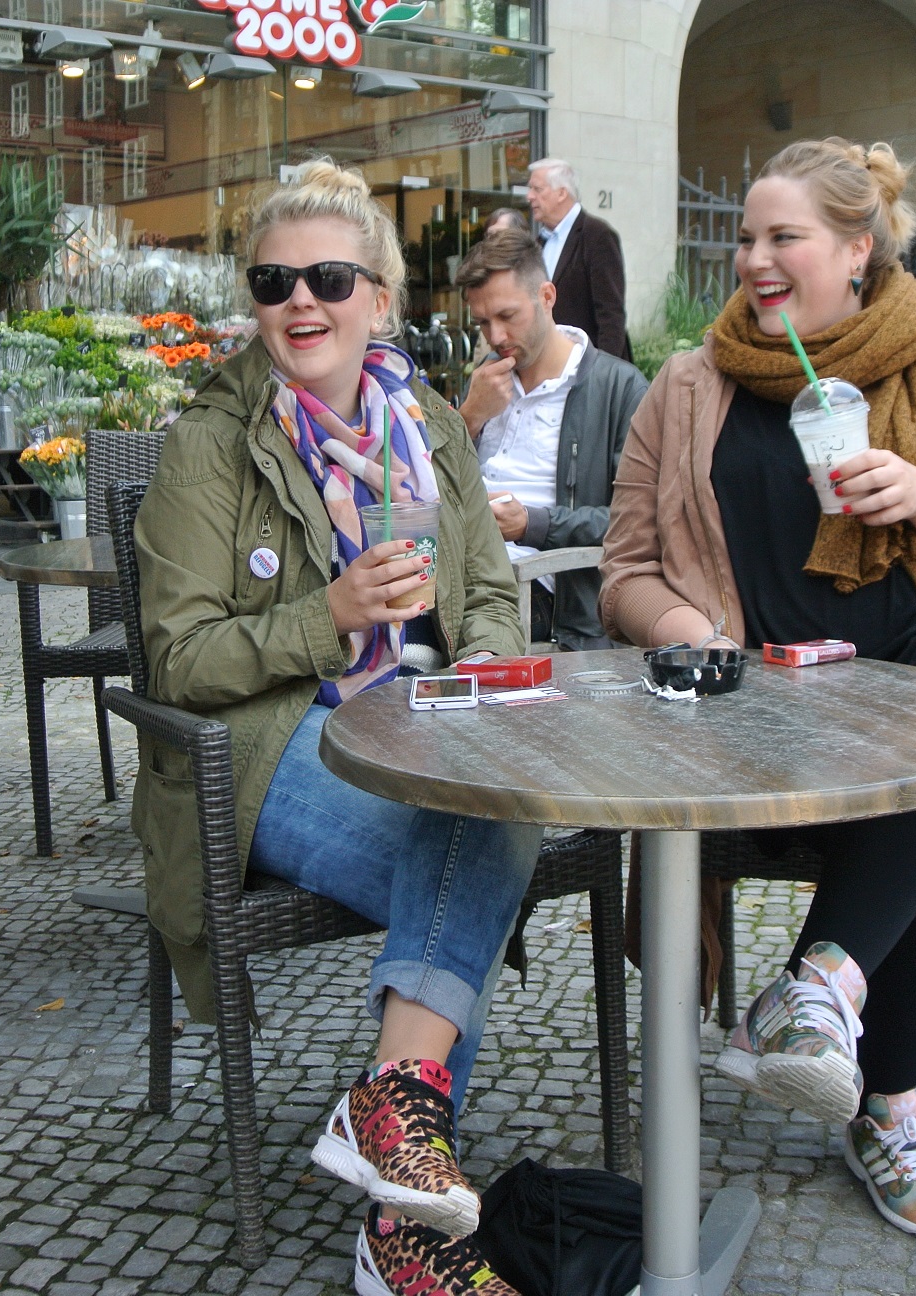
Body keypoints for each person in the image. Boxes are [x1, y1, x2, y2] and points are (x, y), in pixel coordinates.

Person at [599, 138, 916, 1243]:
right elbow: (624, 573)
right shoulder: (691, 385)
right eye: (743, 238)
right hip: (766, 711)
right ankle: (891, 1099)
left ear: (857, 249)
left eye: (783, 237)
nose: (753, 260)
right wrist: (694, 635)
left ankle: (819, 996)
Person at [132, 159, 533, 1295]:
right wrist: (329, 616)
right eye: (273, 279)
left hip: (421, 725)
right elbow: (179, 658)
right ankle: (404, 1221)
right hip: (266, 752)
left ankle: (392, 1173)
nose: (300, 301)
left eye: (328, 277)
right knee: (473, 833)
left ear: (380, 299)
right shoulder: (211, 444)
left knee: (478, 812)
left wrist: (492, 649)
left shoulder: (430, 427)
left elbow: (490, 583)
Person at [453, 226, 648, 649]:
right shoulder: (486, 382)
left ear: (547, 297)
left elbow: (635, 524)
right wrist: (469, 417)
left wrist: (532, 525)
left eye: (507, 316)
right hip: (461, 571)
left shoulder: (617, 388)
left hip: (540, 592)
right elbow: (425, 486)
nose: (497, 337)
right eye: (483, 323)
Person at [525, 159, 632, 362]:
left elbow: (611, 315)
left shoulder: (597, 236)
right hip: (547, 369)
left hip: (585, 368)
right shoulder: (537, 243)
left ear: (561, 193)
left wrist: (604, 373)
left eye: (537, 189)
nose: (529, 196)